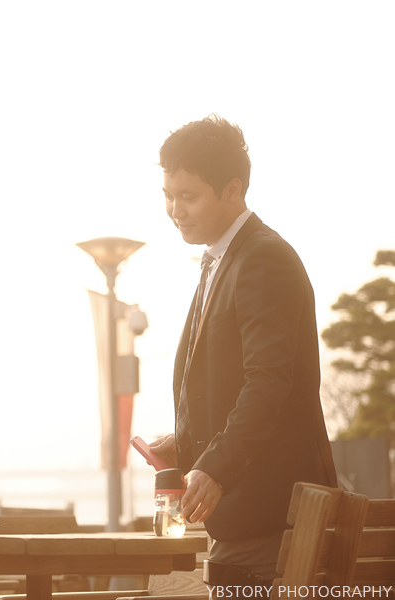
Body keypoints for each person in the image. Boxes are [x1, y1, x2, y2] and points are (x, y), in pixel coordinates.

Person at [149, 115, 337, 584]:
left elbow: (269, 381)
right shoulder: (221, 259)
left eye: (188, 196)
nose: (174, 210)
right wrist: (188, 439)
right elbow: (230, 381)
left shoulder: (262, 258)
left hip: (269, 517)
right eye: (168, 195)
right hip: (243, 517)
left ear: (232, 190)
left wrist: (215, 469)